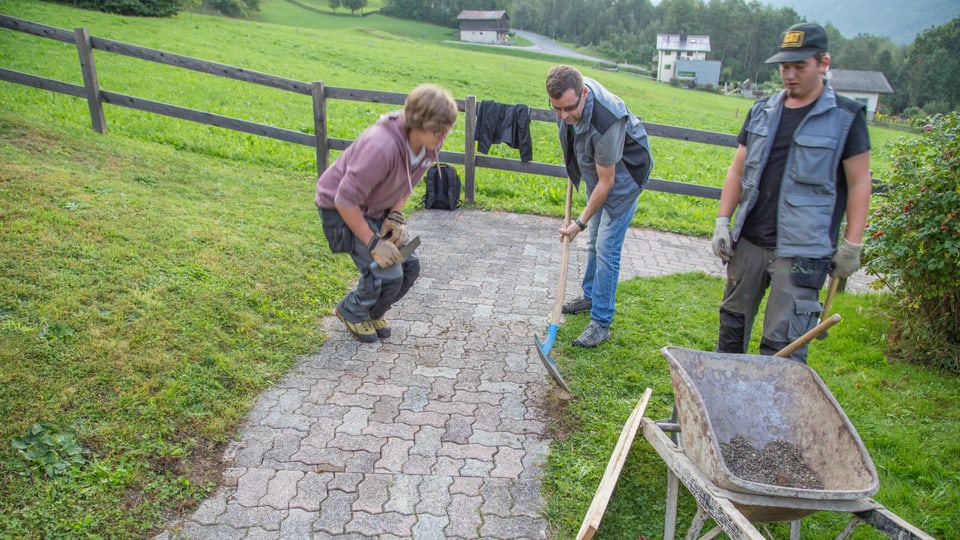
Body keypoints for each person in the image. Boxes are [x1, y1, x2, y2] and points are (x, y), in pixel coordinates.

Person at [711, 22, 872, 362]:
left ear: (823, 63)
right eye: (785, 66)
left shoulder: (846, 117)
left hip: (801, 254)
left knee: (782, 346)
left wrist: (853, 245)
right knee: (731, 330)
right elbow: (737, 170)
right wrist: (723, 221)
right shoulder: (762, 111)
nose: (790, 74)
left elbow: (859, 183)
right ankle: (721, 407)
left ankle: (771, 415)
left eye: (800, 66)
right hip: (750, 242)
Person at [315, 83, 458, 342]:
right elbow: (344, 199)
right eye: (438, 130)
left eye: (447, 130)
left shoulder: (428, 143)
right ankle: (351, 308)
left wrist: (395, 215)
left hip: (376, 207)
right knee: (386, 273)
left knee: (410, 266)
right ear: (417, 123)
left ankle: (371, 311)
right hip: (341, 210)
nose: (443, 136)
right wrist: (373, 243)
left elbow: (408, 181)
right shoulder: (380, 147)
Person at [546, 65, 654, 347]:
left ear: (583, 94)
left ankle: (601, 322)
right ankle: (590, 296)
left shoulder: (607, 120)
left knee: (606, 247)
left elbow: (607, 182)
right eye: (557, 109)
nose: (564, 115)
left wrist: (578, 224)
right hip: (602, 172)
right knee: (595, 241)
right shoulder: (566, 102)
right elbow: (570, 140)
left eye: (569, 109)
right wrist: (571, 167)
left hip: (625, 177)